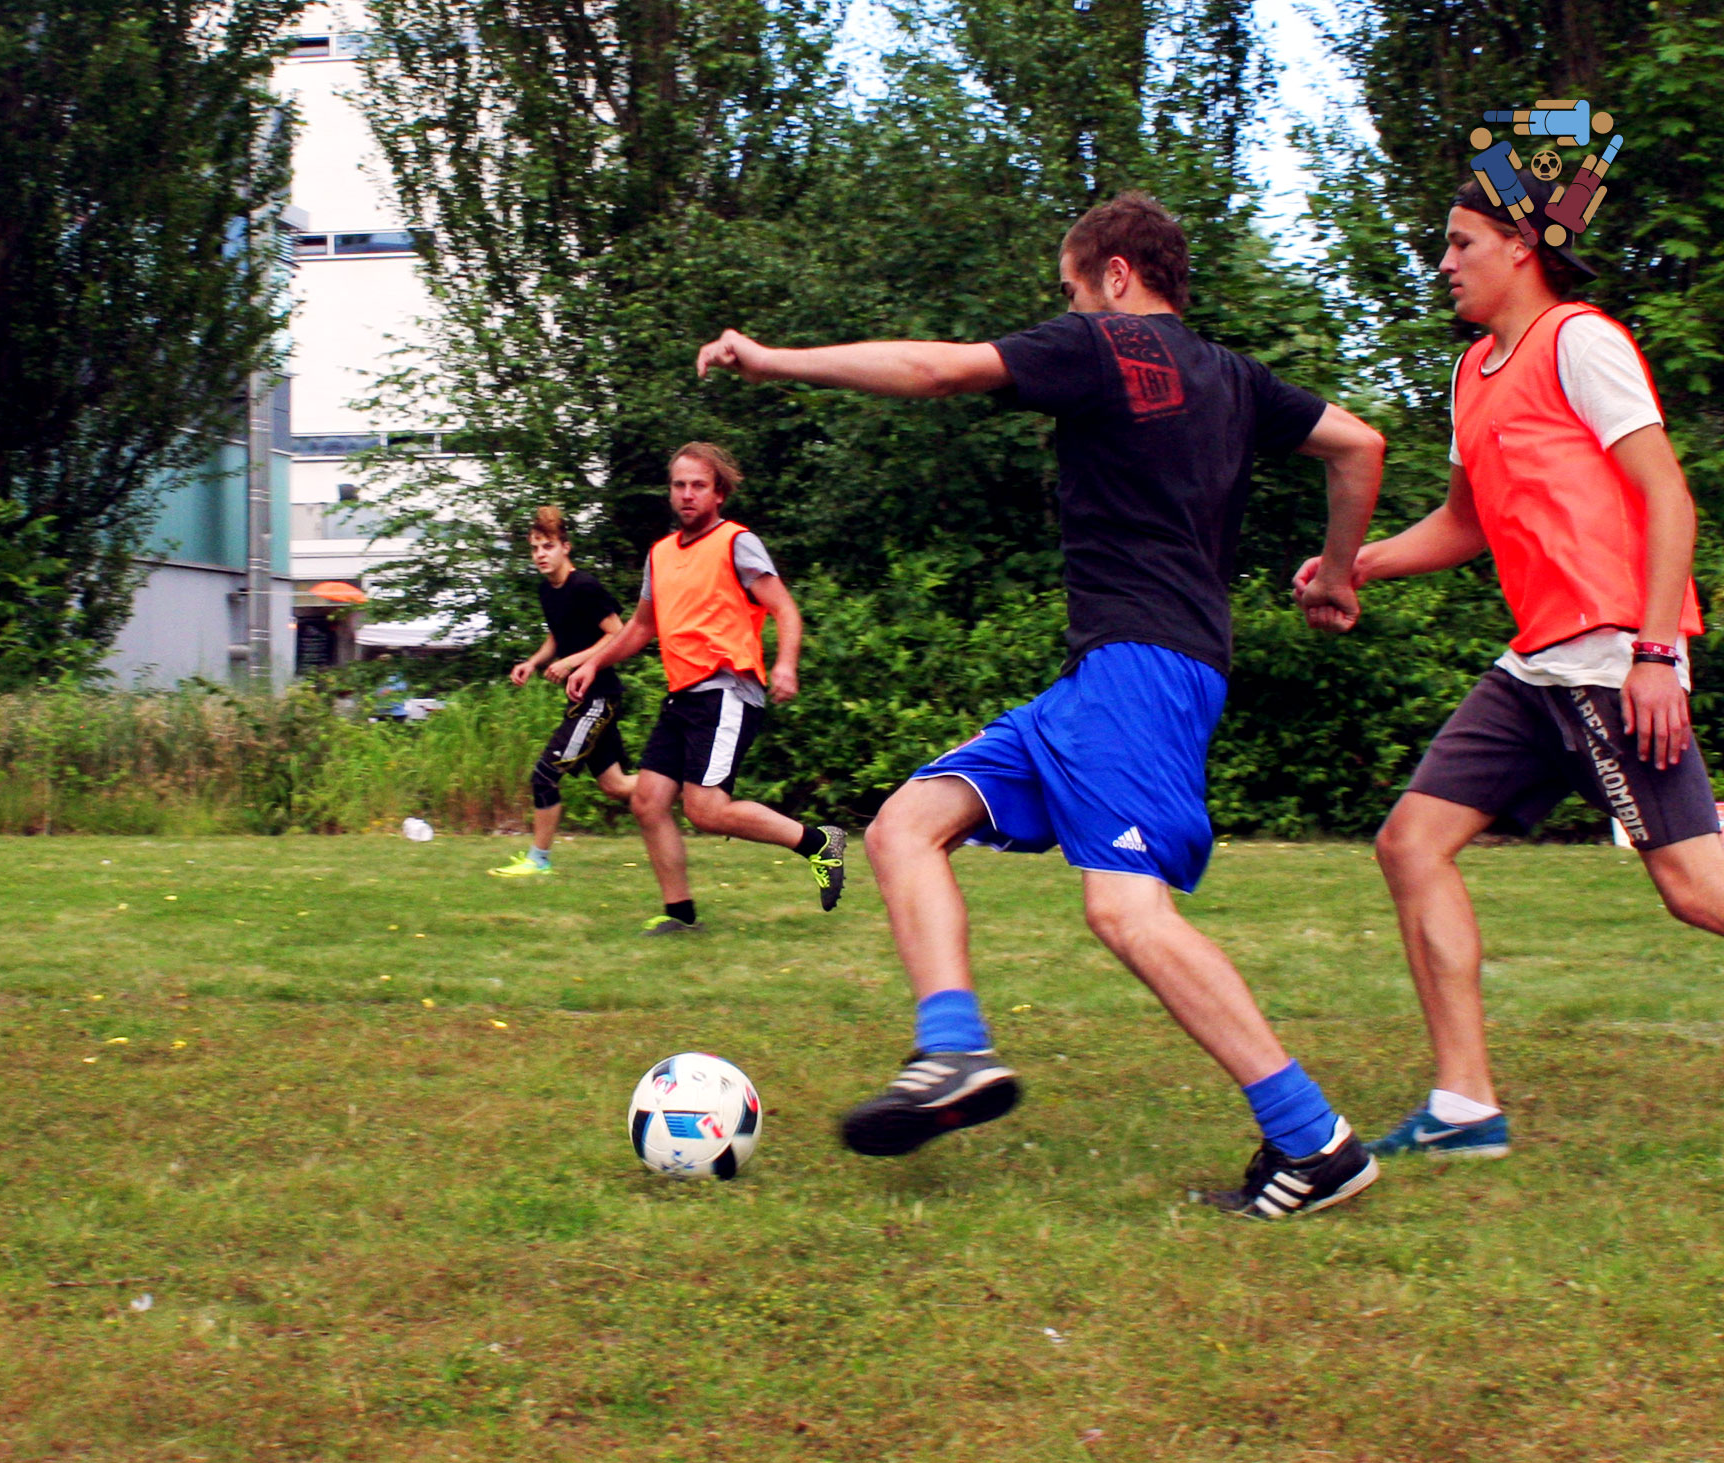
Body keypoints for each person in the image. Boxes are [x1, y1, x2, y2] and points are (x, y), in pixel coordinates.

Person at [698, 191, 1389, 1218]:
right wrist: (1335, 573)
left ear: (1114, 276)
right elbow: (1360, 445)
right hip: (1107, 677)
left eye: (1069, 288)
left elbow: (936, 370)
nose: (1065, 307)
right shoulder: (1237, 377)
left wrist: (774, 360)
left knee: (1124, 909)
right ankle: (951, 1051)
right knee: (904, 827)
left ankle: (1314, 1139)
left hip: (1142, 671)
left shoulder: (1104, 343)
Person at [1305, 171, 1724, 1163]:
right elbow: (1465, 522)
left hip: (1612, 653)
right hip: (1537, 662)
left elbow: (1667, 496)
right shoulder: (1473, 373)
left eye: (1461, 243)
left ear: (1519, 247)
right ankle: (1463, 1107)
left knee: (1694, 886)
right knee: (1410, 843)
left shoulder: (1579, 340)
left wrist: (1654, 652)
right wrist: (1353, 564)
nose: (1444, 263)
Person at [564, 444, 850, 931]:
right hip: (683, 697)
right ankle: (680, 915)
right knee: (647, 801)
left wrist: (785, 665)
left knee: (706, 810)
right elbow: (640, 627)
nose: (687, 494)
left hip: (726, 691)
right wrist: (593, 662)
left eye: (698, 485)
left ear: (718, 493)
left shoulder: (737, 542)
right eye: (679, 485)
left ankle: (819, 843)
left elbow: (784, 608)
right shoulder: (660, 554)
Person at [489, 505, 639, 876]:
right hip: (583, 698)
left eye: (548, 546)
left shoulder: (584, 586)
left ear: (565, 547)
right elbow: (558, 635)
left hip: (599, 697)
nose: (540, 554)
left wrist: (572, 662)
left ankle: (538, 860)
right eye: (535, 548)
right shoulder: (548, 590)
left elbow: (617, 633)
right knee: (616, 785)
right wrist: (533, 662)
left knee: (544, 775)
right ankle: (687, 788)